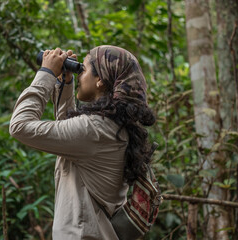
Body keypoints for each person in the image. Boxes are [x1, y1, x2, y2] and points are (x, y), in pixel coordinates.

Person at [9, 45, 156, 239]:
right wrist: (65, 82)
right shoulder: (112, 128)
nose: (79, 74)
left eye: (83, 69)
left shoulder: (95, 130)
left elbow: (19, 125)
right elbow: (68, 140)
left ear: (100, 81)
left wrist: (46, 73)